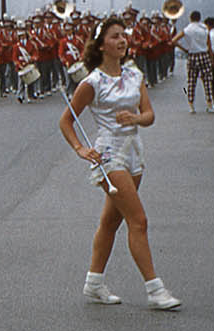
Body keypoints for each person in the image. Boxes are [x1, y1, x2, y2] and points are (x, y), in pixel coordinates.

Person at [57, 17, 180, 310]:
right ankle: (155, 289)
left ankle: (94, 282)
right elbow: (66, 120)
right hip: (109, 154)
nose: (122, 41)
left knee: (111, 221)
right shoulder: (92, 82)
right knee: (139, 220)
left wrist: (136, 118)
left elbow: (149, 115)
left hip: (134, 151)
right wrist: (80, 148)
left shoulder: (135, 75)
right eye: (114, 37)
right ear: (101, 46)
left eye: (123, 36)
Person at [171, 10, 212, 113]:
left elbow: (173, 40)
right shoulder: (204, 29)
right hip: (204, 54)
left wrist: (184, 49)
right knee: (207, 80)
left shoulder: (188, 29)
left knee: (191, 81)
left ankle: (191, 105)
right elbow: (209, 45)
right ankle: (210, 103)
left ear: (190, 18)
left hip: (192, 55)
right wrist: (211, 58)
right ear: (199, 18)